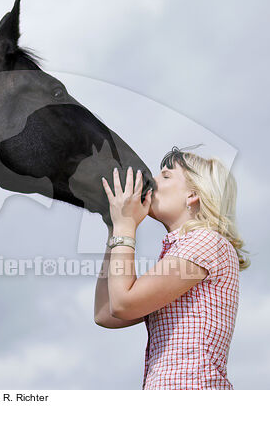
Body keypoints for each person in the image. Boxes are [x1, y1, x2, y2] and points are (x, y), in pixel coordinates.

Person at [94, 146, 250, 390]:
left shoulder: (206, 241)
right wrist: (115, 228)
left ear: (193, 196)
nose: (152, 180)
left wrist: (125, 227)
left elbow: (123, 303)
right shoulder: (182, 251)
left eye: (165, 176)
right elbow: (106, 313)